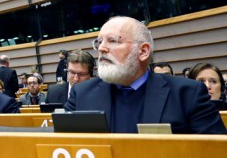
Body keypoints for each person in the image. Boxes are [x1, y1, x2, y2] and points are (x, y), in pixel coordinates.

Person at [66, 16, 226, 134]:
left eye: (113, 41)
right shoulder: (81, 94)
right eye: (99, 41)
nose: (102, 48)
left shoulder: (187, 94)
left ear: (143, 51)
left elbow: (215, 150)